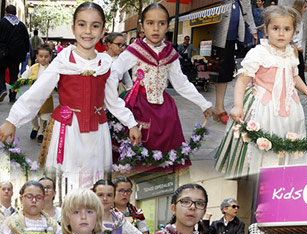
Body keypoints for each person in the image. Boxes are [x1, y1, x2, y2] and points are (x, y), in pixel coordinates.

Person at [0, 3, 141, 182]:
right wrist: (12, 120)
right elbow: (37, 92)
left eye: (95, 25)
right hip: (67, 130)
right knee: (67, 179)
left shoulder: (106, 64)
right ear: (73, 28)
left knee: (94, 181)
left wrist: (131, 123)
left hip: (98, 132)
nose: (88, 31)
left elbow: (113, 100)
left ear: (103, 30)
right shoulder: (63, 60)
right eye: (82, 25)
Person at [215, 4, 307, 176]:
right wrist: (237, 106)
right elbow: (241, 81)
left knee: (286, 139)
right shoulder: (259, 53)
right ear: (266, 30)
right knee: (262, 142)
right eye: (276, 28)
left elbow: (294, 76)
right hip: (263, 108)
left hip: (289, 106)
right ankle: (257, 174)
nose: (281, 33)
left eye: (287, 29)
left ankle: (281, 173)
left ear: (293, 32)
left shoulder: (292, 53)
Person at [109, 1, 212, 154]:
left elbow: (181, 83)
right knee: (137, 151)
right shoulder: (134, 50)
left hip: (165, 112)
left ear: (168, 26)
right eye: (150, 23)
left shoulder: (170, 53)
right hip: (139, 108)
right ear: (142, 27)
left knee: (166, 153)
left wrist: (203, 103)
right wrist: (113, 101)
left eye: (161, 23)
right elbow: (113, 73)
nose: (156, 28)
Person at [211, 0, 258, 124]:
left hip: (230, 34)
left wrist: (253, 29)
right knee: (209, 67)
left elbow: (246, 7)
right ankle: (212, 107)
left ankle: (219, 107)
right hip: (210, 28)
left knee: (225, 69)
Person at [0, 4, 31, 101]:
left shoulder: (1, 22)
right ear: (15, 13)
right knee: (14, 75)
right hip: (16, 55)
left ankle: (2, 89)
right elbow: (26, 40)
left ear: (6, 12)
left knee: (0, 72)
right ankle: (12, 97)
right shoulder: (21, 25)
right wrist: (25, 52)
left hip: (3, 53)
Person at [26, 46, 54, 141]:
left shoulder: (52, 69)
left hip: (46, 97)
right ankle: (35, 127)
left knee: (44, 117)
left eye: (46, 56)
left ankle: (42, 131)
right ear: (37, 56)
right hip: (34, 96)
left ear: (50, 57)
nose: (43, 59)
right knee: (33, 115)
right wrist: (19, 83)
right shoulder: (33, 68)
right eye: (41, 56)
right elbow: (24, 77)